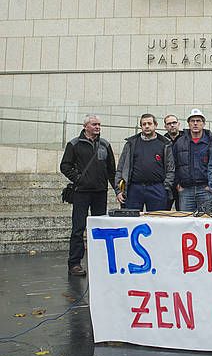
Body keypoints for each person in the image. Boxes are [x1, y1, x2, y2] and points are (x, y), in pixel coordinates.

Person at [60, 114, 116, 276]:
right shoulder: (74, 144)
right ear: (85, 126)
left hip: (100, 192)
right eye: (94, 124)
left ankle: (98, 261)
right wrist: (78, 178)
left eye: (99, 124)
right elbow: (65, 165)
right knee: (78, 228)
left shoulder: (105, 144)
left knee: (99, 227)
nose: (98, 127)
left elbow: (111, 170)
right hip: (81, 193)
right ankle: (74, 263)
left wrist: (117, 190)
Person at [115, 113, 174, 212]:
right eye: (144, 124)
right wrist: (119, 190)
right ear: (141, 126)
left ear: (155, 125)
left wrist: (165, 187)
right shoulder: (131, 144)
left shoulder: (165, 144)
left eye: (149, 123)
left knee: (157, 221)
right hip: (134, 189)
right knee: (132, 222)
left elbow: (170, 169)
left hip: (157, 188)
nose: (146, 126)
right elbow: (120, 168)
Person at [172, 108, 212, 211]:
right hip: (185, 190)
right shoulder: (180, 143)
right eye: (192, 121)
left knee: (207, 221)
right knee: (186, 223)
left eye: (198, 121)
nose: (195, 123)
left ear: (203, 124)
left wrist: (211, 186)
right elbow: (173, 165)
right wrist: (177, 185)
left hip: (206, 190)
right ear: (188, 124)